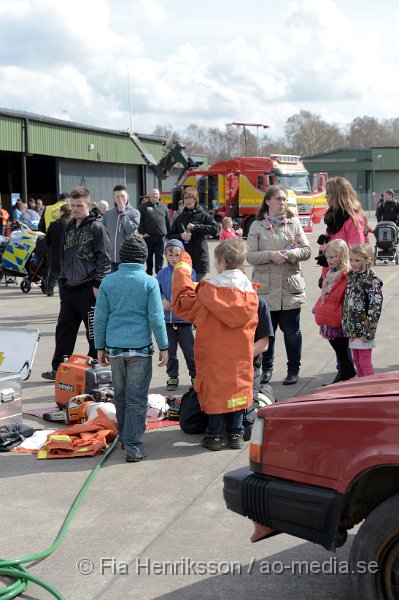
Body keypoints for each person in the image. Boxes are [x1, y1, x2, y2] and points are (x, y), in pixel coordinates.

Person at [172, 237, 259, 451]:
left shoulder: (206, 292)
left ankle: (215, 436)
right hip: (240, 357)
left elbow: (182, 301)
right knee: (237, 391)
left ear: (220, 263)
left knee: (214, 392)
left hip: (212, 355)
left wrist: (183, 265)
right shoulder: (251, 294)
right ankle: (236, 434)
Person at [94, 234, 169, 463]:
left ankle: (125, 438)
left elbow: (100, 317)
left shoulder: (108, 281)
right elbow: (156, 318)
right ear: (144, 257)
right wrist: (164, 346)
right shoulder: (149, 282)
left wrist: (99, 347)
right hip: (140, 350)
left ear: (121, 257)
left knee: (121, 396)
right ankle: (134, 446)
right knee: (136, 398)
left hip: (114, 349)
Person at [41, 186, 111, 380]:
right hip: (69, 289)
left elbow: (104, 258)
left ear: (88, 204)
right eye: (73, 205)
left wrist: (98, 284)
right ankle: (59, 368)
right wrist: (62, 281)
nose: (76, 209)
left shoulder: (97, 227)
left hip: (89, 288)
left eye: (79, 205)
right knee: (64, 330)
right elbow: (62, 256)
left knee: (93, 332)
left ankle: (95, 366)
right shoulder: (69, 226)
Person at [247, 185, 311, 386]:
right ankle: (267, 369)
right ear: (267, 201)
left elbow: (307, 250)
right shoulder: (257, 225)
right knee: (267, 333)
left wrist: (290, 255)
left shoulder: (293, 222)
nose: (282, 203)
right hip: (265, 289)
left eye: (284, 199)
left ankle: (293, 370)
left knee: (292, 332)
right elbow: (250, 256)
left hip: (289, 287)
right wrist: (270, 256)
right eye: (278, 199)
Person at [313, 239, 357, 384]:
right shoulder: (331, 271)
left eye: (333, 257)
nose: (329, 260)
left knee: (343, 352)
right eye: (328, 257)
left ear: (343, 255)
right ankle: (347, 374)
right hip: (329, 317)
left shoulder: (347, 275)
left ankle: (344, 378)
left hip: (340, 319)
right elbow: (326, 293)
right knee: (339, 351)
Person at [156, 239, 196, 391]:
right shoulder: (161, 274)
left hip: (184, 320)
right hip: (167, 321)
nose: (174, 258)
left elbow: (192, 291)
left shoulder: (189, 272)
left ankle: (195, 375)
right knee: (170, 351)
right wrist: (162, 299)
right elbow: (156, 290)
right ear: (165, 256)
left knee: (190, 351)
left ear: (183, 255)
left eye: (177, 255)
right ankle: (172, 377)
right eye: (170, 255)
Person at [342, 243, 383, 377]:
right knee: (357, 362)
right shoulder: (352, 279)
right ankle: (361, 389)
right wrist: (346, 326)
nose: (353, 263)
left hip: (364, 331)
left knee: (365, 362)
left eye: (357, 260)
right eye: (351, 260)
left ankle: (372, 391)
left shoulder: (372, 281)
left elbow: (375, 308)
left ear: (368, 260)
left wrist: (368, 331)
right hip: (353, 330)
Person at [169, 186, 218, 281]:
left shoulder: (203, 215)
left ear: (195, 199)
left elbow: (215, 229)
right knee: (186, 288)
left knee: (198, 289)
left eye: (190, 198)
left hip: (200, 258)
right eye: (185, 198)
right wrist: (181, 236)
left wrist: (196, 227)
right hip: (184, 258)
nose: (187, 200)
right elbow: (170, 236)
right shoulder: (180, 218)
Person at [101, 185, 140, 272]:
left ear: (127, 196)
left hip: (125, 259)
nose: (120, 199)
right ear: (113, 198)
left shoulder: (134, 213)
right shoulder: (108, 214)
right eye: (117, 196)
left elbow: (130, 230)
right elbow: (103, 234)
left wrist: (123, 212)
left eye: (122, 196)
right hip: (109, 259)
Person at [138, 188, 170, 275]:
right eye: (153, 194)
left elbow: (168, 221)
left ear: (159, 195)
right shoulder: (143, 207)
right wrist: (142, 232)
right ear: (149, 195)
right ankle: (149, 274)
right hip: (148, 237)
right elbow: (139, 221)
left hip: (161, 237)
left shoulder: (164, 207)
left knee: (159, 257)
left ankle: (159, 274)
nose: (155, 195)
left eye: (156, 194)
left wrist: (169, 234)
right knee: (148, 257)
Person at [45, 203, 72, 296]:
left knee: (60, 283)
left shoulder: (54, 224)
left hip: (57, 258)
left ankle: (52, 290)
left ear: (61, 212)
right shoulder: (74, 224)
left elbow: (47, 241)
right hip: (71, 259)